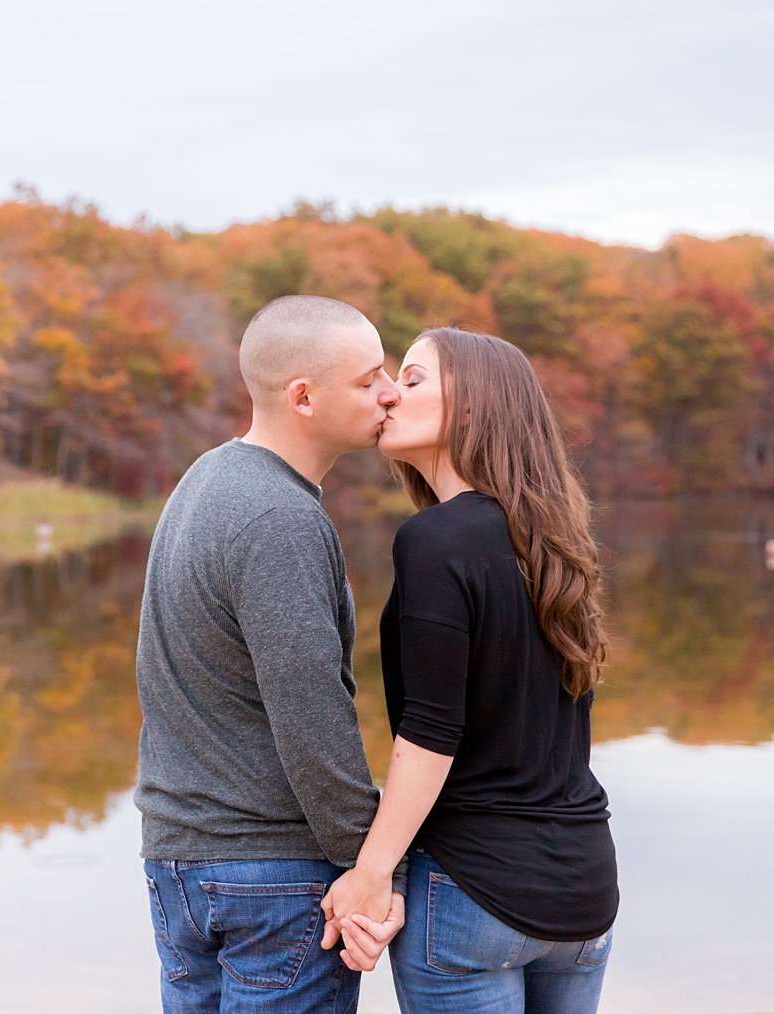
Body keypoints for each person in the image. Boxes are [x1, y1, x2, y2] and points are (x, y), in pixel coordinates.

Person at [322, 328, 619, 1013]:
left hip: (474, 894)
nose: (391, 393)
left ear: (472, 409)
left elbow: (430, 734)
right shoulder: (554, 542)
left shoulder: (436, 539)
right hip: (585, 890)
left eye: (415, 379)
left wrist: (370, 874)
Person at [135, 295, 407, 1013]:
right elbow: (312, 713)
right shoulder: (277, 518)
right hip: (269, 876)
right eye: (368, 378)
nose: (389, 392)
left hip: (180, 863)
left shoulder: (207, 480)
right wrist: (372, 867)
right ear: (304, 397)